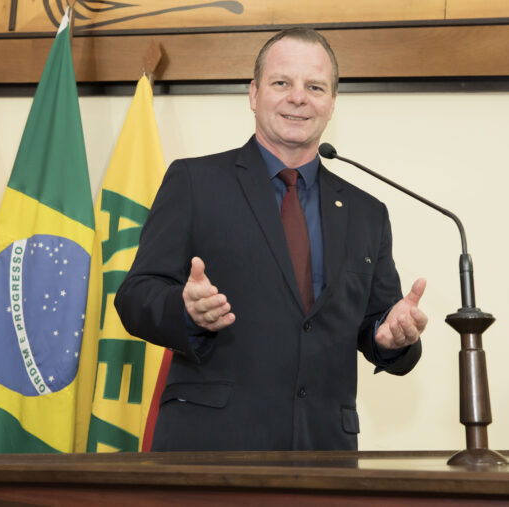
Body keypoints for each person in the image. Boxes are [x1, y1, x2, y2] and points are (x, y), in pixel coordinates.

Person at [115, 27, 428, 451]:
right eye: (282, 82)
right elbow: (135, 296)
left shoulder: (366, 212)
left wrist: (391, 338)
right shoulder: (194, 182)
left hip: (325, 455)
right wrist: (185, 310)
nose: (298, 97)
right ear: (253, 93)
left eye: (314, 86)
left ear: (332, 103)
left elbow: (379, 325)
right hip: (211, 451)